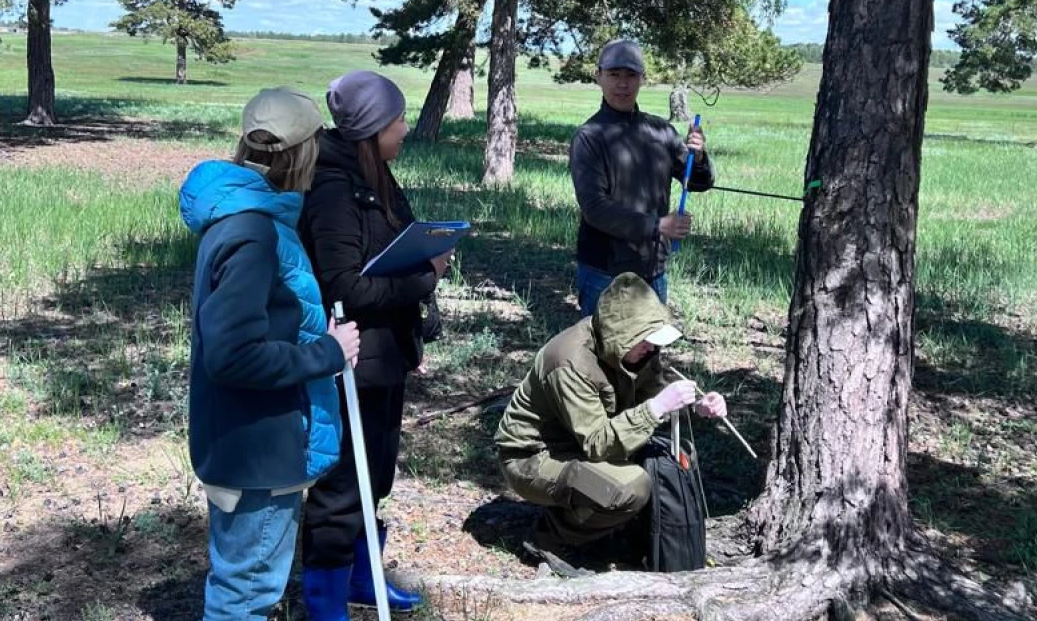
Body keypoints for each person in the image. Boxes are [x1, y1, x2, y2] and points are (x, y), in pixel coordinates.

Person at [178, 87, 361, 621]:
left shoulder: (244, 217)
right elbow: (233, 355)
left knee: (247, 584)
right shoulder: (253, 232)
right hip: (259, 449)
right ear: (306, 152)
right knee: (247, 594)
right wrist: (325, 353)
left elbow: (259, 319)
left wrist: (310, 331)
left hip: (251, 439)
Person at [298, 70, 450, 620]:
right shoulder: (333, 187)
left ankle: (364, 578)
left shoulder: (376, 172)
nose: (406, 128)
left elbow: (390, 250)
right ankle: (324, 601)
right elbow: (343, 286)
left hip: (387, 355)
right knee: (342, 484)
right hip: (352, 360)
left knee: (377, 473)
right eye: (397, 120)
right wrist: (424, 278)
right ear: (371, 127)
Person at [493, 273, 727, 566]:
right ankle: (549, 538)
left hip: (580, 445)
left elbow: (653, 389)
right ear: (621, 333)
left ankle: (613, 525)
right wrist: (656, 408)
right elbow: (597, 443)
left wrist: (698, 406)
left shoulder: (632, 350)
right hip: (533, 459)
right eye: (647, 342)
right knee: (630, 486)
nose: (653, 350)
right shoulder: (569, 361)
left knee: (675, 456)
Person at [569, 39, 716, 317]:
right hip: (604, 270)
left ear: (642, 79)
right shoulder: (589, 137)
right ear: (599, 76)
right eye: (614, 75)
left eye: (631, 76)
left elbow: (698, 182)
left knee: (648, 352)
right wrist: (659, 225)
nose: (622, 84)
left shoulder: (661, 131)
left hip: (653, 269)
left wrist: (698, 158)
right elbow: (595, 208)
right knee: (603, 353)